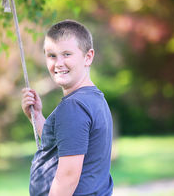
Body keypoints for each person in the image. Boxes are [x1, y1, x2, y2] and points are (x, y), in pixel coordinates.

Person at [21, 20, 113, 196]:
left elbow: (67, 179)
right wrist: (37, 116)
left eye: (67, 54)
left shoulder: (73, 107)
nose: (58, 63)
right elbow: (66, 145)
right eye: (52, 55)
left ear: (88, 57)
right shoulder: (94, 98)